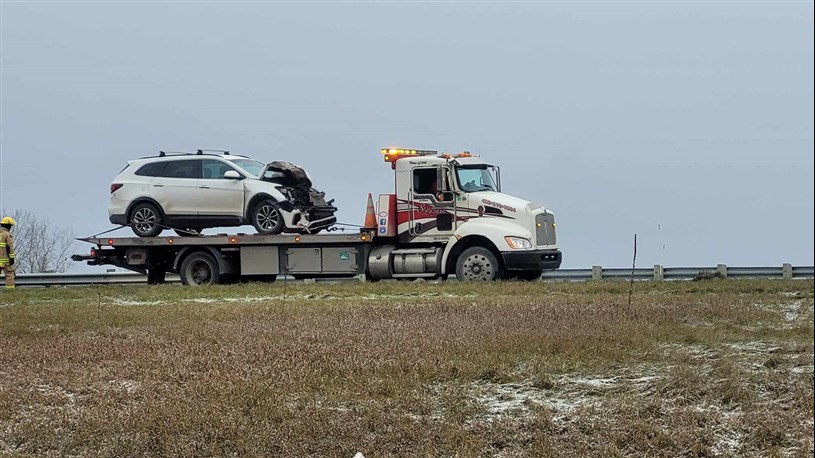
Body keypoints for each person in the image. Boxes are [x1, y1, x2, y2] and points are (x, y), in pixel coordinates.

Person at [0, 216, 16, 290]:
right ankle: (10, 291)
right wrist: (12, 258)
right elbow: (10, 247)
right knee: (9, 274)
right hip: (5, 260)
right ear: (8, 225)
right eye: (10, 226)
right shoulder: (7, 234)